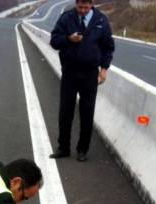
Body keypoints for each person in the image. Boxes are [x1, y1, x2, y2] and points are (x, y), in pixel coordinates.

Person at [49, 0, 115, 162]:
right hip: (70, 72)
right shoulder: (66, 18)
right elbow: (54, 41)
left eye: (86, 7)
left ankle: (82, 149)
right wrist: (68, 39)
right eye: (80, 7)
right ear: (76, 4)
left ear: (91, 4)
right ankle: (63, 147)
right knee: (65, 112)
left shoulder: (101, 20)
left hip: (90, 74)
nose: (83, 11)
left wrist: (104, 69)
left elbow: (108, 47)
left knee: (87, 112)